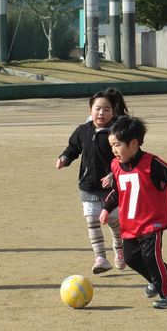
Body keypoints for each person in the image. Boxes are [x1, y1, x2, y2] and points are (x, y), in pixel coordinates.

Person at [99, 116, 167, 309]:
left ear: (134, 143)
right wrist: (106, 208)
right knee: (130, 258)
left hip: (152, 222)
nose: (113, 150)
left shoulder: (151, 163)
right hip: (130, 224)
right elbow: (119, 191)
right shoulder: (116, 166)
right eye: (111, 145)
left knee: (151, 257)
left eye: (117, 145)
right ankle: (158, 278)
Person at [56, 89, 129, 274]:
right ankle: (100, 258)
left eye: (106, 109)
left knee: (114, 223)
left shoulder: (117, 133)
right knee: (92, 222)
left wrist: (114, 175)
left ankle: (120, 250)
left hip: (112, 189)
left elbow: (125, 158)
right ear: (90, 110)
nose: (101, 113)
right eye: (97, 109)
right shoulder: (82, 131)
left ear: (113, 112)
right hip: (88, 186)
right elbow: (73, 148)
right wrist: (64, 158)